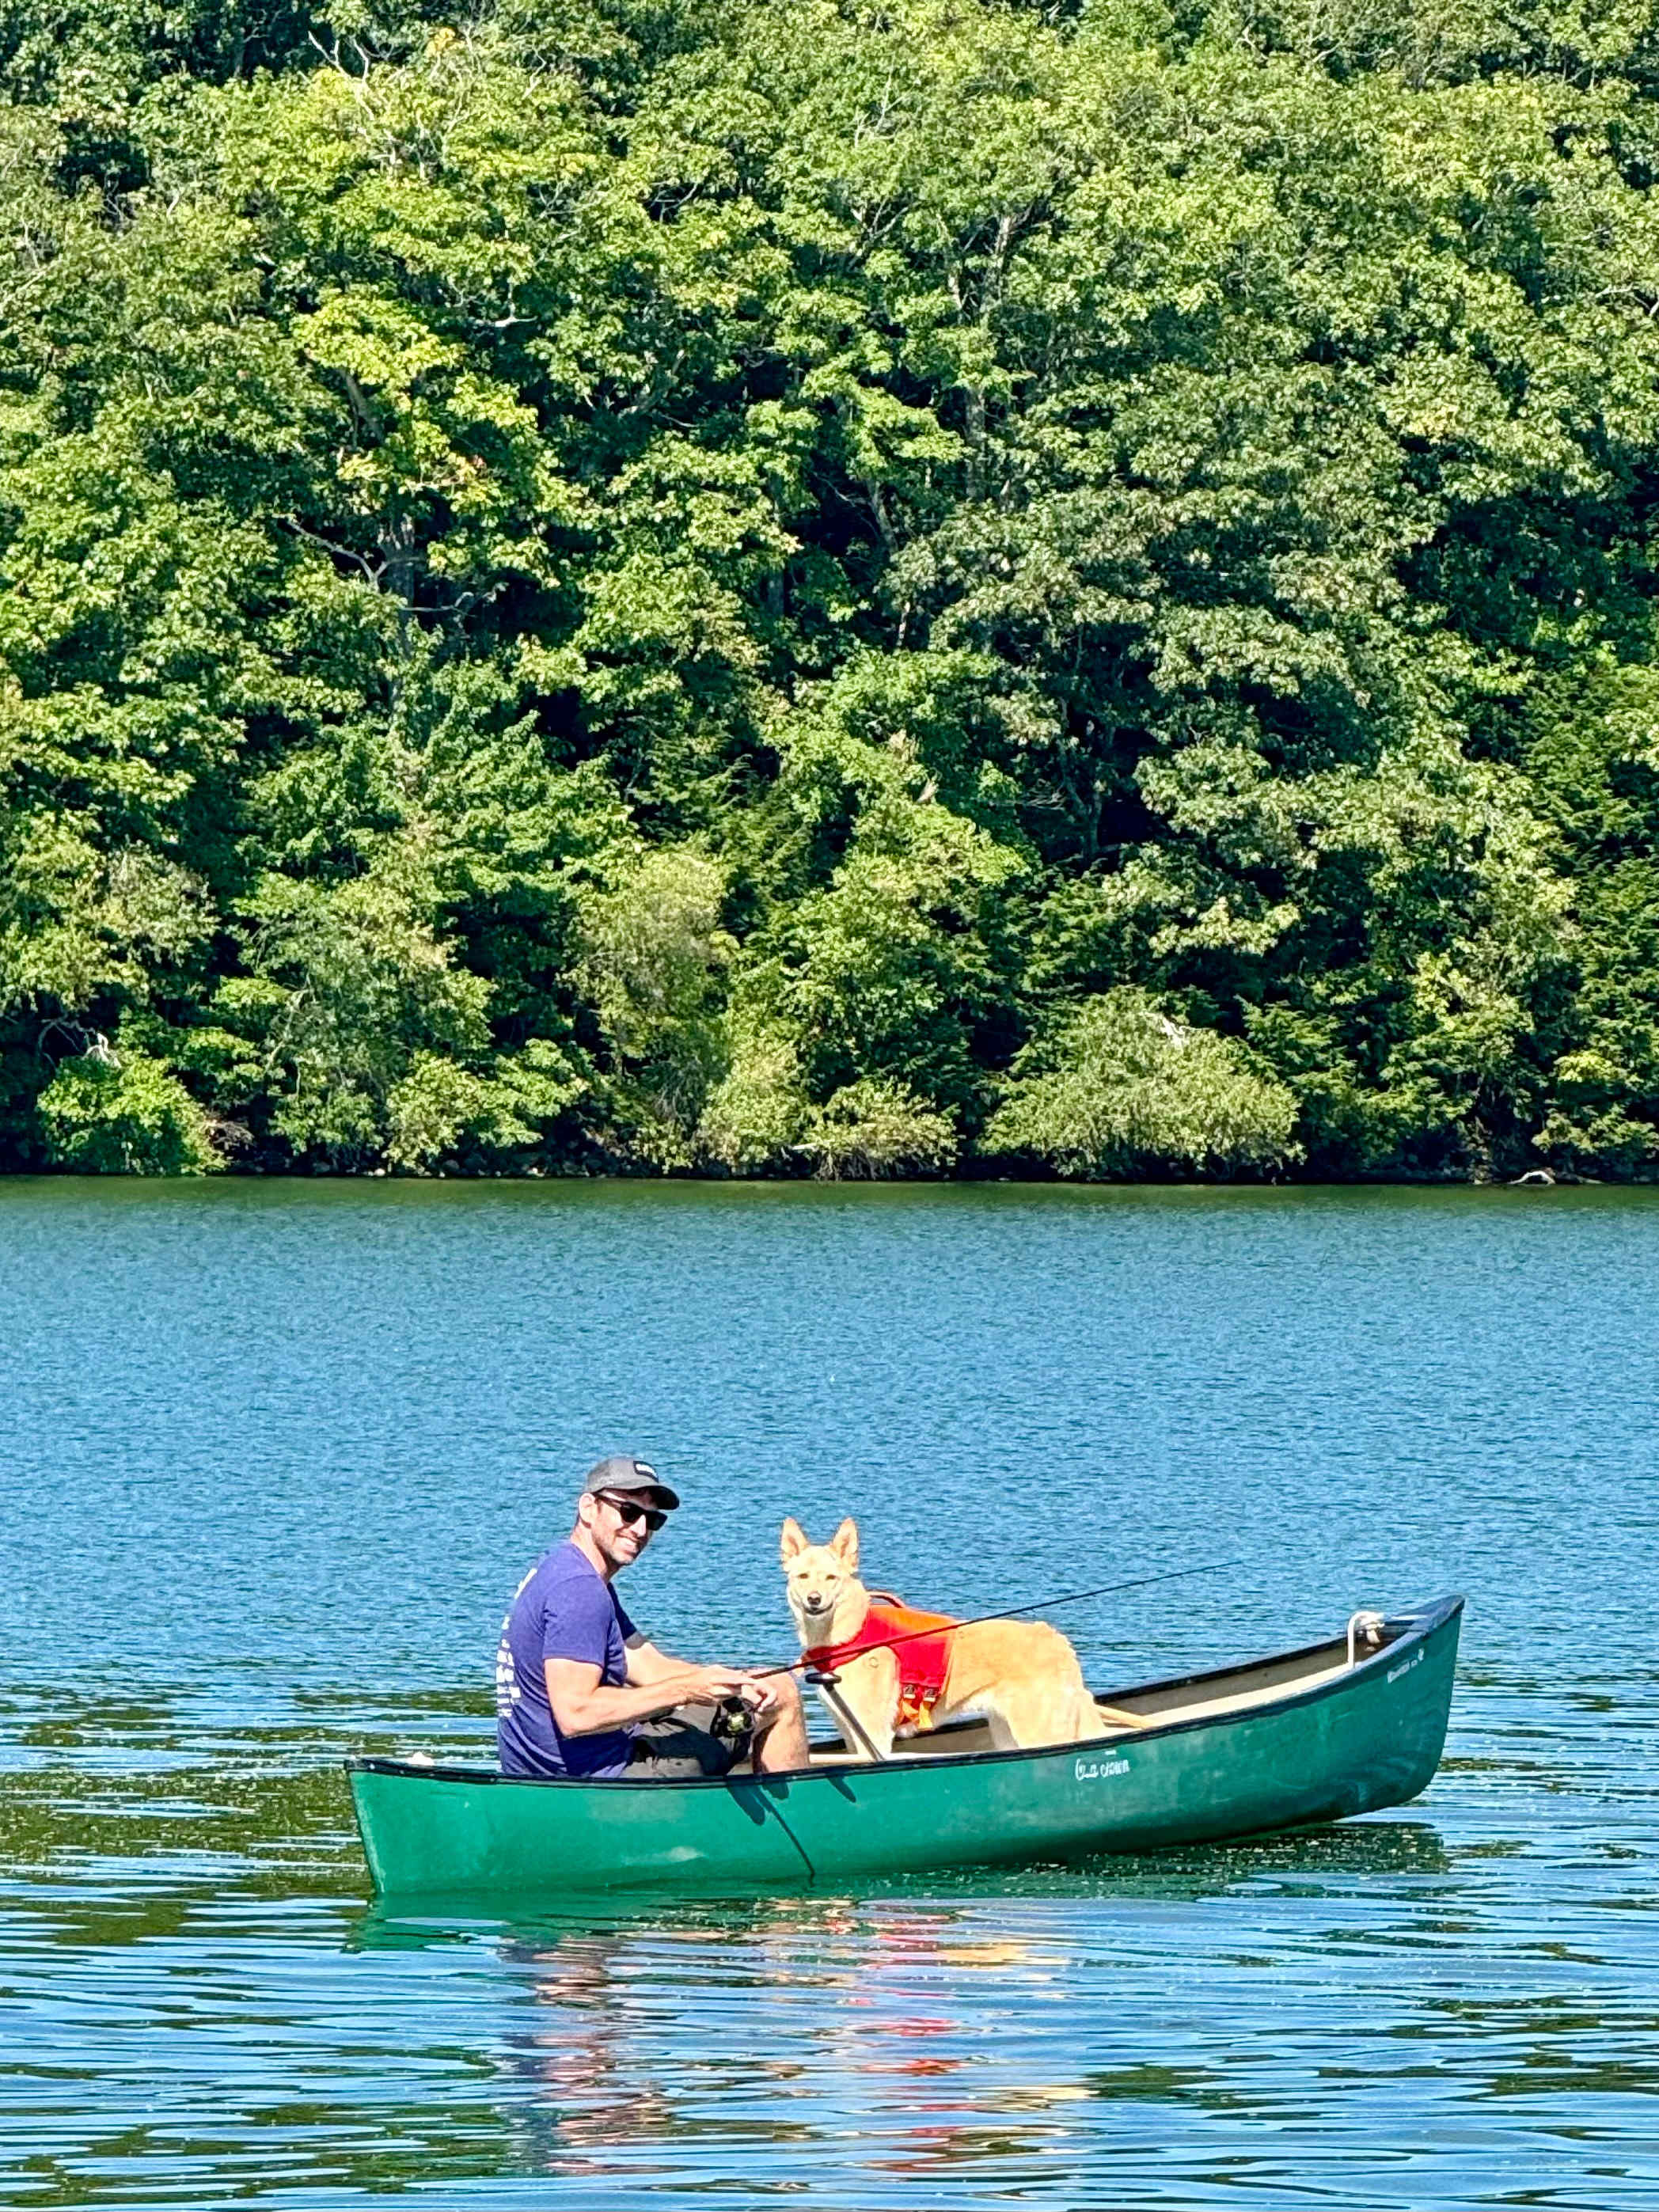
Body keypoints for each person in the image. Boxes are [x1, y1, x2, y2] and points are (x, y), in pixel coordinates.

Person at [495, 1455, 809, 1779]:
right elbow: (576, 1714)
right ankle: (798, 1824)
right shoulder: (581, 1591)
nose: (641, 1529)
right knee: (783, 1691)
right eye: (628, 1512)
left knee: (764, 1682)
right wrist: (687, 1690)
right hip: (602, 1779)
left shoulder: (563, 1566)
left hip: (542, 1772)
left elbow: (648, 1666)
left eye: (652, 1519)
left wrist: (734, 1684)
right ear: (588, 1508)